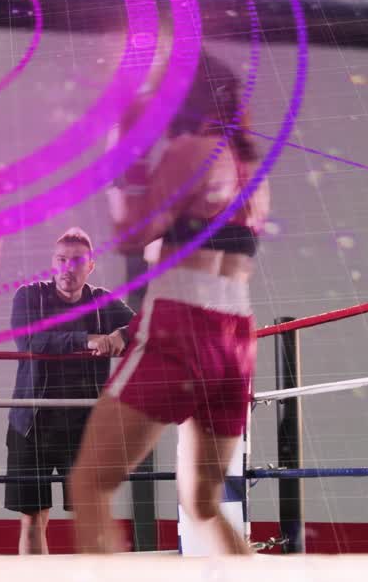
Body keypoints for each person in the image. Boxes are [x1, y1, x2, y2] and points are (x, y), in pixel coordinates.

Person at [68, 52, 270, 555]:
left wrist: (125, 144)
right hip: (237, 337)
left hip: (183, 323)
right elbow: (190, 237)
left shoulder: (192, 149)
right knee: (203, 503)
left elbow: (131, 232)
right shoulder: (251, 168)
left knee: (89, 483)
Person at [6, 227, 133, 554]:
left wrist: (121, 334)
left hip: (83, 426)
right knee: (33, 520)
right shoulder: (29, 296)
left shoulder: (102, 301)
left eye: (77, 261)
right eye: (61, 260)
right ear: (53, 262)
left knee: (91, 516)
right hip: (32, 425)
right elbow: (30, 340)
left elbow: (145, 324)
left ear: (90, 266)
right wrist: (86, 340)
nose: (68, 268)